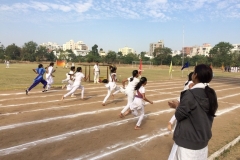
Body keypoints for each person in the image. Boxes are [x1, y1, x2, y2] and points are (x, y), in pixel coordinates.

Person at [168, 64, 218, 160]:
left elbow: (179, 115)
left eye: (194, 72)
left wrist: (176, 106)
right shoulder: (211, 94)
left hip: (187, 144)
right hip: (202, 143)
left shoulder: (190, 94)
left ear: (195, 75)